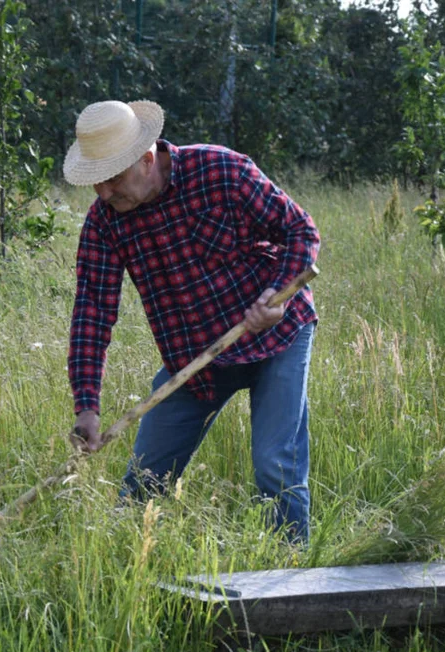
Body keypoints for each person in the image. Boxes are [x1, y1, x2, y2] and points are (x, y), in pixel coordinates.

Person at [63, 99, 319, 542]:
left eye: (113, 180)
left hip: (275, 334)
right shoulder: (105, 222)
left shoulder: (221, 171)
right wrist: (87, 405)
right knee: (143, 481)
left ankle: (291, 574)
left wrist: (276, 297)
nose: (104, 194)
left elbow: (300, 231)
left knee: (275, 464)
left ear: (146, 160)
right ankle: (125, 574)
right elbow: (92, 311)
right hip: (196, 359)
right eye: (96, 183)